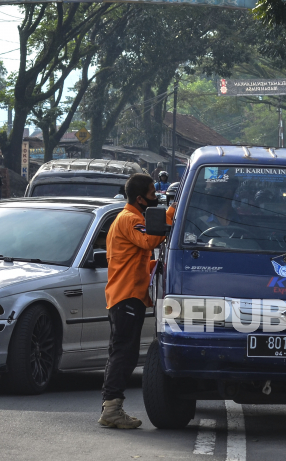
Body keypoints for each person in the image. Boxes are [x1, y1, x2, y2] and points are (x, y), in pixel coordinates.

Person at [99, 174, 175, 429]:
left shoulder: (130, 218)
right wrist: (172, 210)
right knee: (124, 354)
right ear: (141, 198)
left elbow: (136, 258)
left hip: (126, 295)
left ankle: (111, 407)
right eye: (154, 194)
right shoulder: (131, 219)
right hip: (126, 296)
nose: (158, 198)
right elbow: (150, 239)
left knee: (122, 352)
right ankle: (111, 409)